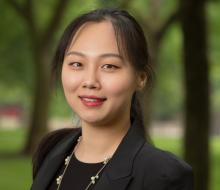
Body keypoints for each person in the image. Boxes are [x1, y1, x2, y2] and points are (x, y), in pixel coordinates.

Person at [30, 8, 193, 190]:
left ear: (140, 78)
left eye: (109, 66)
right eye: (77, 64)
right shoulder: (51, 151)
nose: (90, 81)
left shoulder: (163, 175)